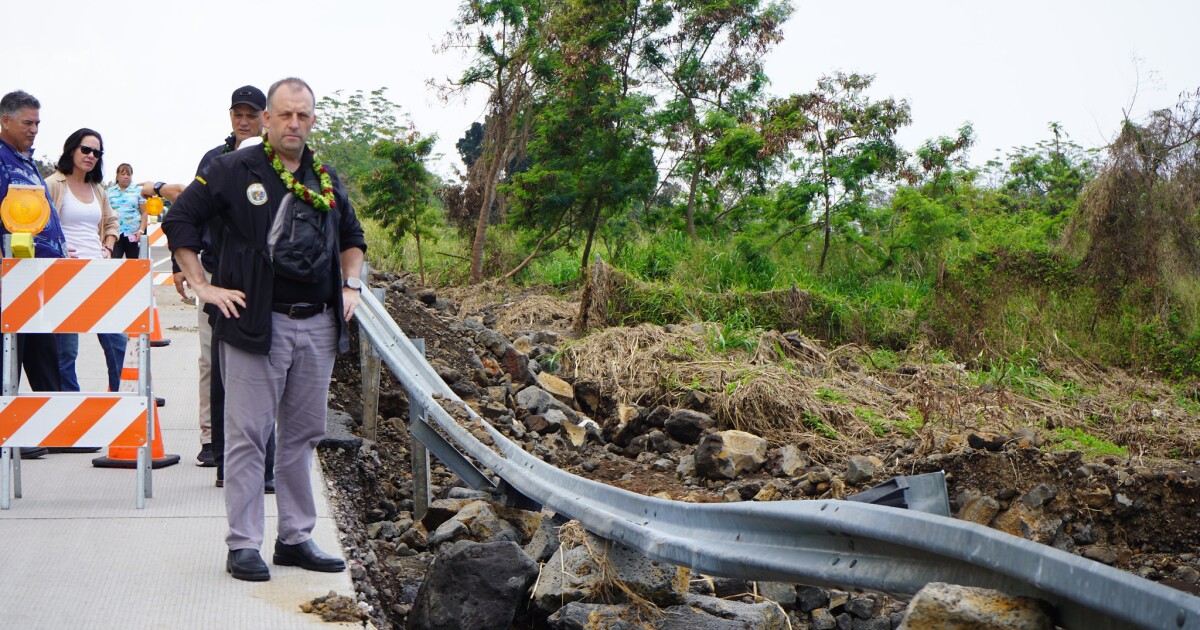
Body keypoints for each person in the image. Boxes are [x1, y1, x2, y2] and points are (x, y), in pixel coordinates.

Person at [163, 77, 366, 582]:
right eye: (285, 115)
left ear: (312, 120)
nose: (294, 123)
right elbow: (180, 221)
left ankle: (295, 538)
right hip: (256, 325)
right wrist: (203, 286)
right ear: (267, 120)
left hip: (317, 325)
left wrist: (353, 284)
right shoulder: (233, 169)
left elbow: (352, 237)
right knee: (249, 436)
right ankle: (243, 544)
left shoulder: (325, 176)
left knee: (302, 436)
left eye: (303, 116)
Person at [0, 91, 70, 459]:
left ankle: (53, 430)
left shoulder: (26, 162)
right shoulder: (1, 160)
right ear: (5, 120)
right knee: (10, 357)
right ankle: (7, 438)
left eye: (38, 123)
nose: (34, 130)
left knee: (44, 354)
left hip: (39, 276)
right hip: (14, 277)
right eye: (27, 123)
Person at [44, 129, 124, 393]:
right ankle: (70, 404)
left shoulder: (97, 188)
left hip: (97, 273)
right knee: (66, 350)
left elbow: (111, 222)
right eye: (86, 150)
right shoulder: (53, 184)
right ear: (71, 150)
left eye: (97, 152)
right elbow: (41, 227)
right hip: (64, 276)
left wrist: (109, 248)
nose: (91, 156)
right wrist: (59, 251)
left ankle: (119, 397)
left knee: (117, 342)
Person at [106, 163, 146, 259]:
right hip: (115, 233)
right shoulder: (109, 192)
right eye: (123, 174)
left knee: (133, 265)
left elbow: (144, 212)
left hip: (133, 234)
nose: (126, 177)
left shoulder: (138, 191)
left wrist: (141, 230)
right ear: (117, 176)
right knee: (114, 262)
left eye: (128, 174)